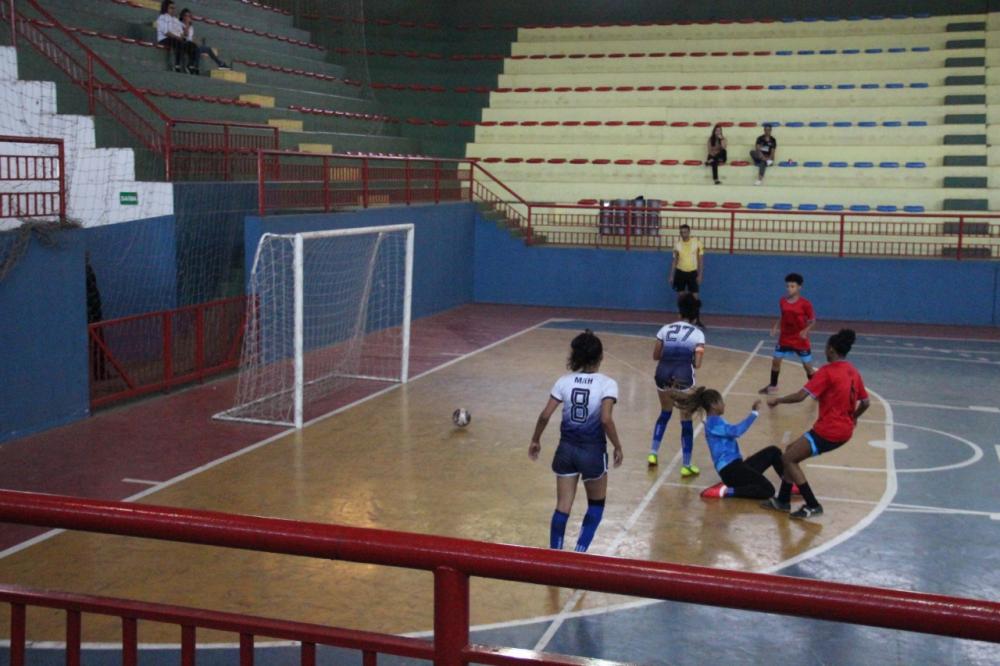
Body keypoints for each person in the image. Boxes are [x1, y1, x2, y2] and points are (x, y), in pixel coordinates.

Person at [529, 330, 624, 553]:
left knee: (562, 506)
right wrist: (617, 445)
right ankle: (579, 553)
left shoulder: (564, 382)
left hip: (566, 450)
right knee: (596, 506)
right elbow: (606, 419)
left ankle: (555, 555)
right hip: (592, 452)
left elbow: (545, 415)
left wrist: (536, 439)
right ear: (600, 357)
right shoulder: (607, 384)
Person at [763, 329, 870, 519]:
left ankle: (812, 505)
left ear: (831, 349)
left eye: (826, 348)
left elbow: (800, 396)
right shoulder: (853, 371)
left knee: (788, 459)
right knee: (790, 450)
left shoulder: (827, 372)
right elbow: (866, 402)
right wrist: (853, 418)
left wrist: (778, 401)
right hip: (844, 430)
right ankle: (783, 500)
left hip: (828, 430)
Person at [669, 388, 786, 499]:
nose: (724, 405)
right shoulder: (712, 423)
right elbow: (737, 431)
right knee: (768, 490)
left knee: (774, 451)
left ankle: (788, 485)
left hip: (737, 465)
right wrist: (754, 414)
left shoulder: (717, 420)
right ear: (714, 405)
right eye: (722, 402)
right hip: (730, 471)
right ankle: (726, 491)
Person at [648, 294, 704, 477]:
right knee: (686, 420)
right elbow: (698, 363)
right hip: (683, 376)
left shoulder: (665, 329)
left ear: (679, 313)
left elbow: (655, 355)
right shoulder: (698, 334)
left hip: (662, 373)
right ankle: (686, 465)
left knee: (665, 413)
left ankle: (653, 453)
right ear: (695, 316)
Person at [759, 273, 815, 395]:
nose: (789, 288)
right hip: (785, 338)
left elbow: (812, 321)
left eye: (792, 286)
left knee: (808, 367)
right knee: (776, 361)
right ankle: (773, 386)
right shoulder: (782, 301)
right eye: (788, 286)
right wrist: (775, 326)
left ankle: (816, 390)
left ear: (799, 287)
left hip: (800, 340)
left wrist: (805, 331)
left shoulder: (806, 304)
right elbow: (783, 316)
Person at [179, 8, 230, 74]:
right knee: (197, 49)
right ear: (182, 16)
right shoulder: (179, 24)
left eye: (189, 16)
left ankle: (220, 63)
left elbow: (191, 38)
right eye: (186, 15)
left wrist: (196, 43)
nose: (187, 17)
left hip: (192, 44)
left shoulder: (191, 27)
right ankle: (194, 67)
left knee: (207, 49)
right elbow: (184, 35)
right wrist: (187, 26)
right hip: (184, 44)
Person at [156, 0, 194, 73]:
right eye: (171, 8)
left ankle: (190, 66)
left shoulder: (175, 20)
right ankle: (177, 65)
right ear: (165, 8)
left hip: (175, 39)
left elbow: (181, 33)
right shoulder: (162, 17)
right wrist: (178, 38)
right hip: (164, 39)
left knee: (191, 45)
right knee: (177, 42)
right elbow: (166, 32)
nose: (173, 10)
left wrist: (186, 28)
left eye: (174, 8)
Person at [669, 224, 703, 301]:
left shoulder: (697, 243)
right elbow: (674, 261)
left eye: (685, 232)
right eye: (681, 232)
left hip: (692, 272)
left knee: (695, 296)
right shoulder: (677, 245)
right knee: (681, 296)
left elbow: (700, 260)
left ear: (689, 232)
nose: (683, 234)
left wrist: (700, 275)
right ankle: (681, 313)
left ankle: (694, 313)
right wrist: (671, 275)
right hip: (680, 272)